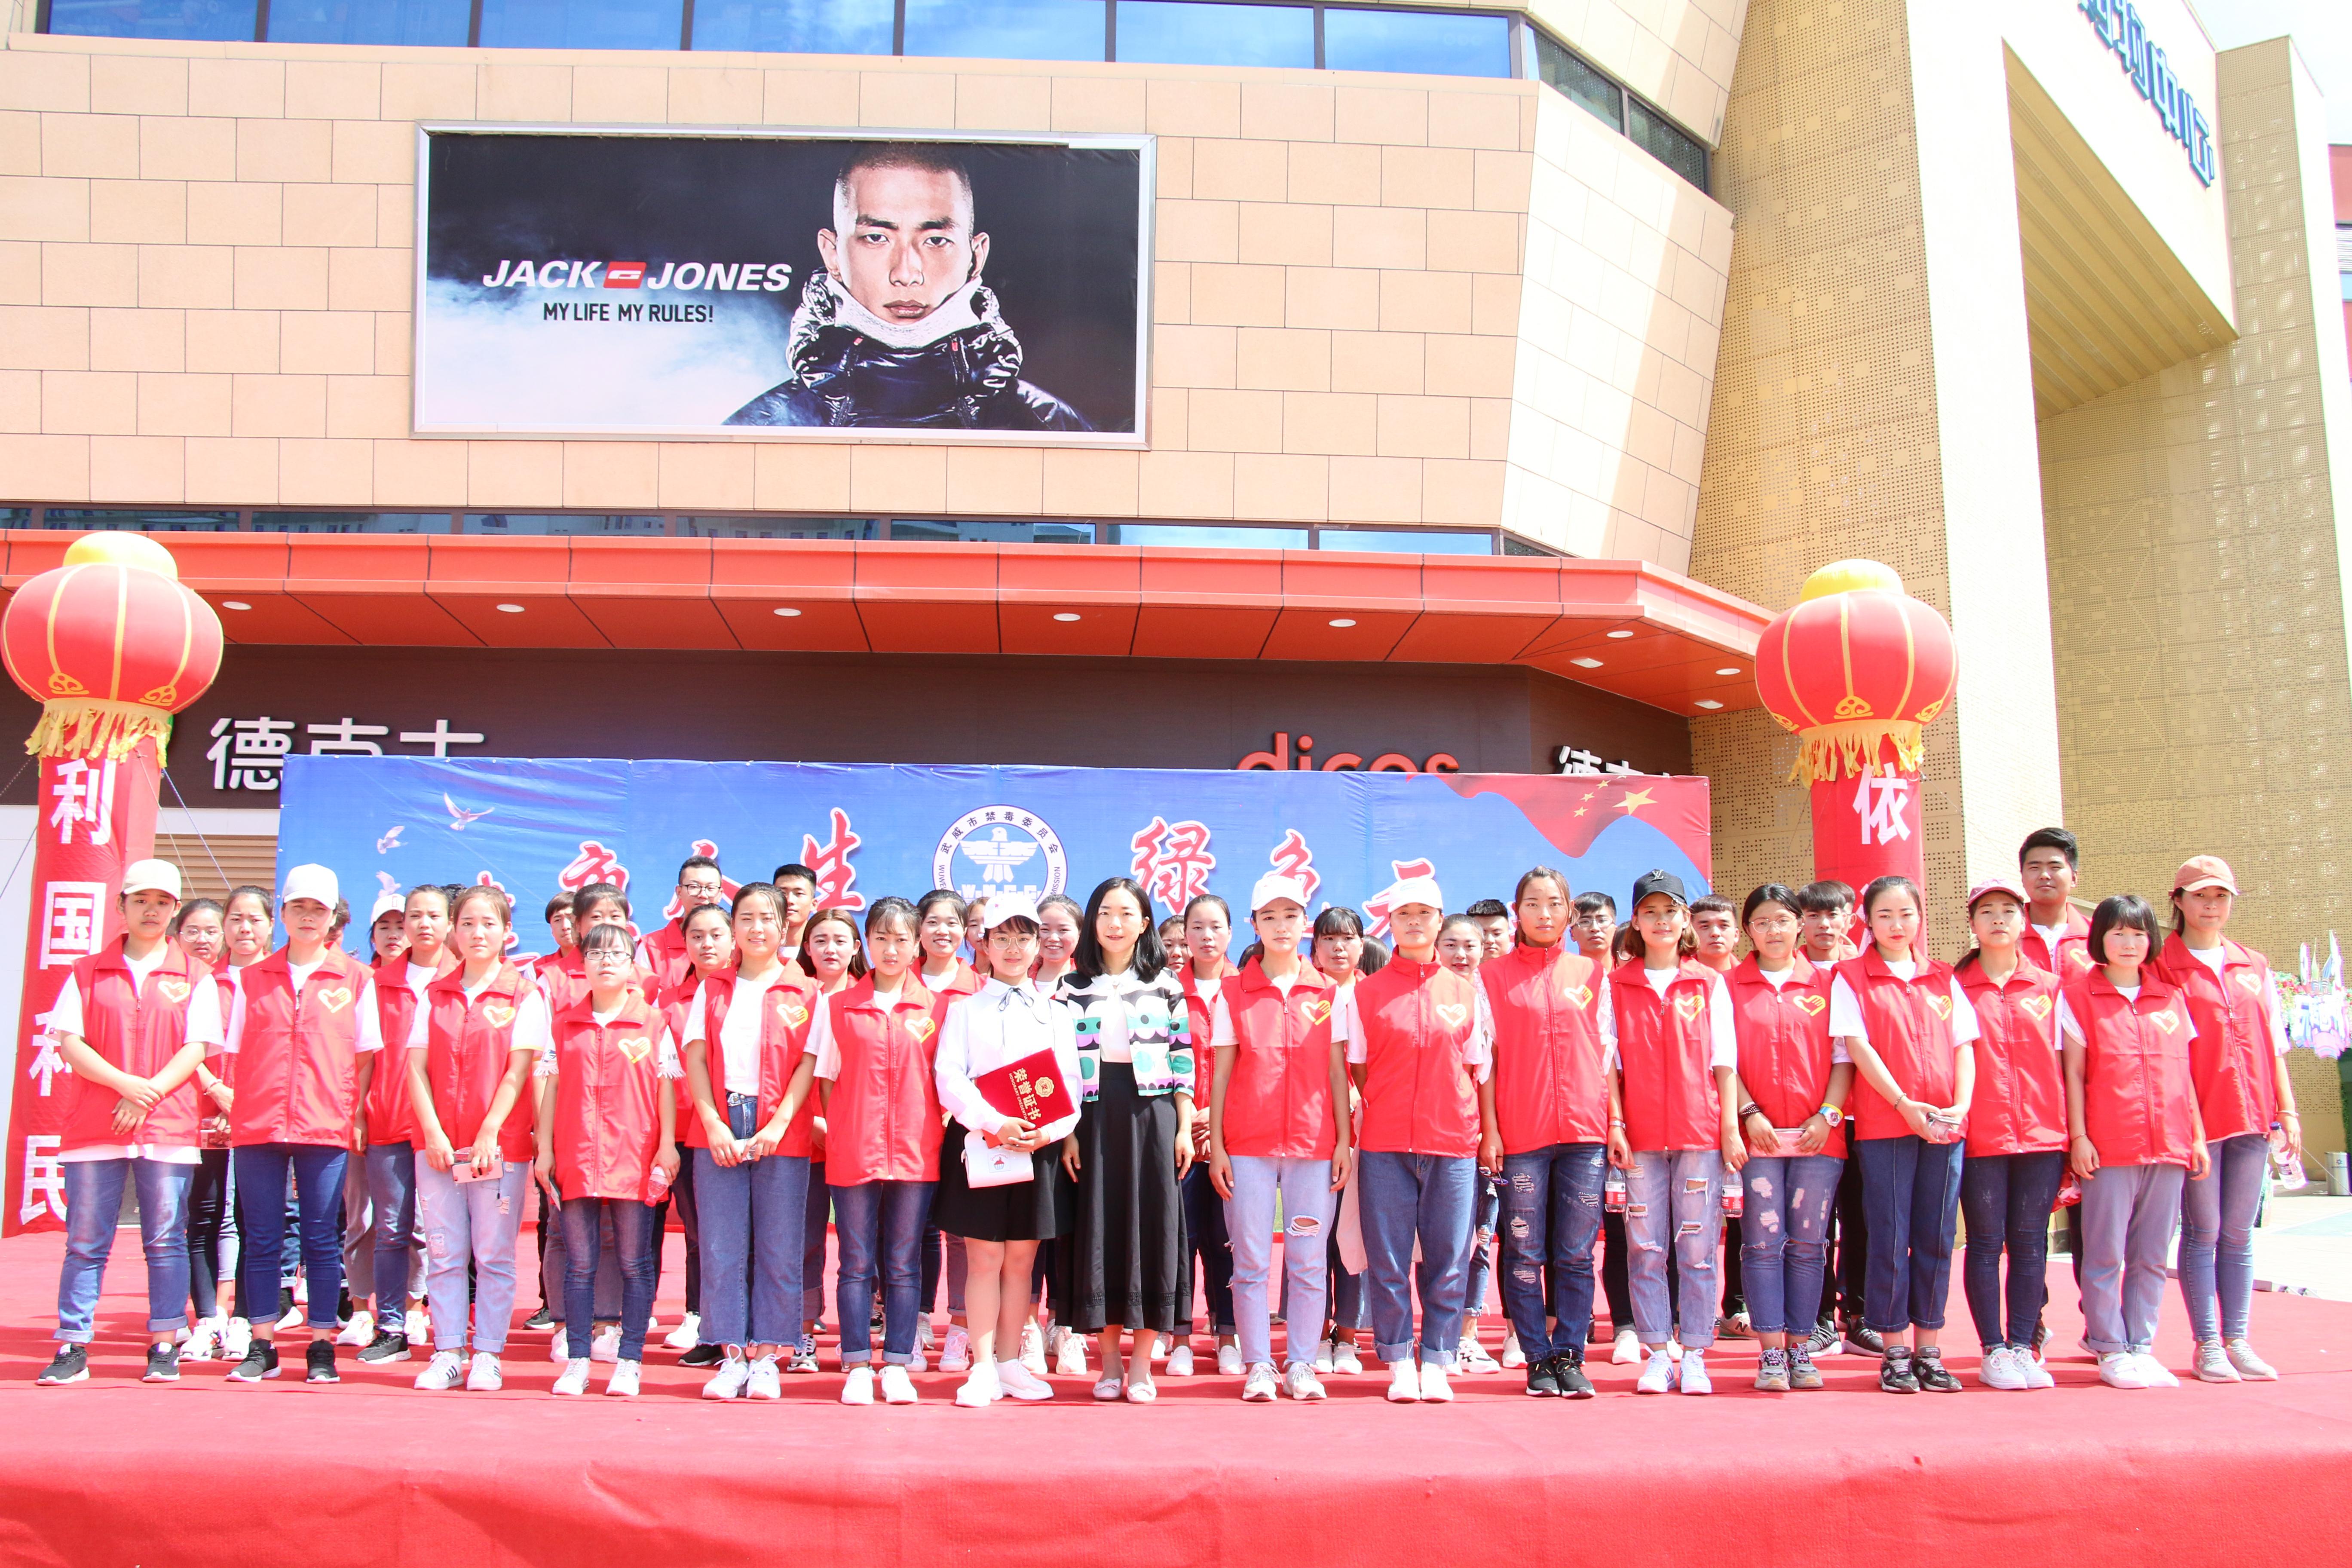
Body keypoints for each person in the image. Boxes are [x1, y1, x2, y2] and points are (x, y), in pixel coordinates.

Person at [725, 142, 1093, 431]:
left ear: (976, 257)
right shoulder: (759, 431)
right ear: (833, 254)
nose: (906, 274)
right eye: (876, 238)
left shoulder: (1053, 429)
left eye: (935, 241)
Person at [36, 861, 223, 1387]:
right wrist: (126, 1086)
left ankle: (164, 1342)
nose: (151, 910)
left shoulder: (195, 976)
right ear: (122, 906)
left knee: (165, 1239)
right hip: (97, 1125)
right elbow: (69, 1042)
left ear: (174, 909)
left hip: (167, 1127)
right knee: (86, 1241)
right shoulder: (86, 971)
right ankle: (73, 1344)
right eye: (141, 900)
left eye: (162, 902)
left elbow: (197, 1047)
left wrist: (149, 1094)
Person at [221, 864, 381, 1385]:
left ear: (333, 917)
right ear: (282, 914)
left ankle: (320, 1345)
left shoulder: (356, 979)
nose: (308, 917)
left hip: (325, 1124)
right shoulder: (251, 980)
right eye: (299, 908)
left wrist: (354, 1114)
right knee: (262, 1237)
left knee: (320, 1237)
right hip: (259, 1125)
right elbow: (234, 1050)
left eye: (319, 909)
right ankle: (262, 1343)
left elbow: (365, 1056)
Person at [1346, 876, 1496, 1404]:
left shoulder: (1464, 992)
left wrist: (1483, 1132)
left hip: (1451, 1141)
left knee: (1448, 1257)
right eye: (1404, 914)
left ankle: (1437, 1358)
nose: (1414, 922)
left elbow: (1477, 1068)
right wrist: (1387, 1102)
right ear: (1390, 922)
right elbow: (1358, 1066)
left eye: (1425, 914)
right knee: (1388, 1259)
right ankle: (1397, 1359)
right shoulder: (1366, 993)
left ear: (1439, 920)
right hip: (1385, 1144)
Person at [931, 894, 1083, 1407]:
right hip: (982, 1144)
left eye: (1024, 937)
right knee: (984, 1258)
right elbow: (949, 1077)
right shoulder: (964, 1010)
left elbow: (1071, 1085)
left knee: (1021, 1260)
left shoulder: (1056, 1013)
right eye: (1003, 938)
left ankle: (1010, 1364)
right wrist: (994, 1123)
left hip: (1038, 1148)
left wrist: (1047, 1132)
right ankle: (981, 1368)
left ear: (1038, 944)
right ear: (984, 943)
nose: (1014, 948)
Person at [1207, 874, 1350, 1403]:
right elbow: (1221, 1075)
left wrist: (1343, 1141)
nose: (1281, 926)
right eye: (1270, 916)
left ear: (1305, 922)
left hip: (1314, 1146)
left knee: (1308, 1261)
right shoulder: (1233, 992)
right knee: (1251, 1262)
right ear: (1255, 924)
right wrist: (1218, 1146)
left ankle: (1302, 1364)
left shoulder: (1328, 992)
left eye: (1291, 915)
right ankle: (1259, 1366)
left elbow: (1337, 1072)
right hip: (1247, 1147)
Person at [1831, 874, 1977, 1393]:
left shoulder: (1943, 977)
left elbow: (1964, 1045)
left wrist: (1960, 1106)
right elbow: (1858, 1048)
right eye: (1885, 915)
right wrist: (1903, 1105)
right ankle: (1894, 1350)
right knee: (1889, 1237)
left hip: (1944, 1127)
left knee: (1936, 1236)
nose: (1897, 925)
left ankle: (1929, 1349)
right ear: (1868, 922)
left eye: (1906, 914)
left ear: (1920, 917)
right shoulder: (1851, 977)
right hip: (1885, 1127)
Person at [2153, 856, 2294, 1383]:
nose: (2211, 906)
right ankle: (2207, 1343)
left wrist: (2287, 1109)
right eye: (2201, 896)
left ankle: (2239, 1339)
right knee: (2203, 1230)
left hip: (2253, 1117)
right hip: (2199, 1121)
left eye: (2221, 897)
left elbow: (2275, 1044)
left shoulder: (2252, 965)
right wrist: (2187, 1123)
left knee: (2238, 1232)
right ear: (2179, 901)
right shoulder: (2162, 966)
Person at [681, 884, 824, 1402]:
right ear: (734, 926)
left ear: (785, 925)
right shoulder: (713, 988)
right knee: (721, 1247)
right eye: (746, 918)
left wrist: (779, 1124)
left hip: (780, 1128)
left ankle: (767, 1357)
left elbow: (808, 1064)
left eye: (767, 918)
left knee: (779, 1248)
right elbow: (696, 1058)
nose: (757, 928)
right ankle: (732, 1355)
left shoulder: (806, 991)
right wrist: (713, 1124)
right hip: (720, 1123)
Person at [1057, 876, 1195, 1403]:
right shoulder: (1070, 986)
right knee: (1100, 1230)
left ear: (1144, 924)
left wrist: (1183, 1127)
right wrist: (1068, 1133)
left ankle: (1142, 1364)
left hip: (1152, 1114)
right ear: (1092, 922)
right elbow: (1059, 1066)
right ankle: (1110, 1361)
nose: (1115, 924)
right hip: (1090, 1116)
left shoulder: (1166, 984)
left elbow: (1182, 1059)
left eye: (1126, 914)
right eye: (1105, 913)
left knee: (1153, 1228)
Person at [405, 885, 547, 1392]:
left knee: (493, 1255)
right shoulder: (435, 994)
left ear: (507, 931)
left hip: (499, 1150)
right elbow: (415, 1068)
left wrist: (489, 1132)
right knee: (445, 1253)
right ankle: (447, 1351)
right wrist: (433, 1133)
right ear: (453, 931)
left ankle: (487, 1352)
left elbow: (518, 1071)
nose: (477, 933)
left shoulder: (523, 994)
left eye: (488, 923)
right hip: (439, 1149)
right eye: (467, 923)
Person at [1606, 870, 1743, 1396]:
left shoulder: (1707, 983)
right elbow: (1608, 1063)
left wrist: (1728, 1128)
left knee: (1698, 1248)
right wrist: (1617, 1123)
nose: (1661, 921)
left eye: (1671, 912)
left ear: (1686, 919)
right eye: (1651, 913)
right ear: (1636, 921)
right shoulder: (1617, 985)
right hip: (1639, 1137)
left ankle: (1698, 1353)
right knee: (1645, 1249)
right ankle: (1659, 1353)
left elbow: (1725, 1061)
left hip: (1699, 1134)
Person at [2062, 894, 2207, 1389]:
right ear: (2100, 938)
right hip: (2110, 1144)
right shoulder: (2079, 996)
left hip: (2169, 1144)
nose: (2129, 943)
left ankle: (2141, 1346)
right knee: (2104, 1253)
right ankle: (2108, 1346)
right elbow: (2074, 1073)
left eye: (2139, 934)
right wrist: (2079, 1136)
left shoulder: (2171, 998)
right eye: (2119, 933)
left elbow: (2184, 1075)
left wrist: (2197, 1137)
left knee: (2151, 1255)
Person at [1477, 868, 1608, 1399]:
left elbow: (1607, 1054)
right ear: (1518, 912)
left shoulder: (1591, 972)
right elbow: (1484, 1061)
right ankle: (1536, 1356)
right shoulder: (1491, 977)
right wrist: (1491, 1130)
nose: (1545, 913)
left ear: (1569, 911)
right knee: (1525, 1251)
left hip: (1585, 1133)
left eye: (1555, 903)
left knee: (1576, 1253)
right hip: (1522, 1133)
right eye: (1533, 903)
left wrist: (1614, 1123)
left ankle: (1571, 1353)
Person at [537, 921, 681, 1398]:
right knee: (579, 1264)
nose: (606, 961)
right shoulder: (565, 1023)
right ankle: (578, 1359)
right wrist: (546, 1151)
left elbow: (665, 1088)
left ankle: (630, 1359)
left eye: (617, 954)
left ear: (632, 964)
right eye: (596, 953)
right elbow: (551, 1087)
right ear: (582, 963)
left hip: (633, 1158)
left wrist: (666, 1145)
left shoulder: (653, 1022)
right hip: (576, 1156)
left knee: (635, 1262)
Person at [816, 897, 946, 1405]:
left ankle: (896, 1363)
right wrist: (842, 1127)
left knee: (903, 1263)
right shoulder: (838, 1007)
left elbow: (946, 1080)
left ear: (917, 946)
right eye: (881, 939)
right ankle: (855, 1364)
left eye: (901, 940)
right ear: (865, 944)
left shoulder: (938, 1008)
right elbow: (826, 1079)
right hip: (854, 1151)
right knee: (855, 1263)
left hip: (916, 1152)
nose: (891, 950)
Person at [1727, 882, 1850, 1393]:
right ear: (1748, 931)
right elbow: (1722, 1060)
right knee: (1761, 1244)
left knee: (1809, 1244)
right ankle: (1771, 1352)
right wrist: (1749, 1113)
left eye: (1783, 920)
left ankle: (1802, 1346)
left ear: (1799, 925)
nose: (1773, 930)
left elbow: (1845, 1057)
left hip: (1818, 1137)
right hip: (1757, 1138)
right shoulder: (1729, 986)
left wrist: (1828, 1115)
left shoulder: (1830, 983)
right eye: (1762, 922)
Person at [1952, 877, 2065, 1392]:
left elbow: (2069, 1063)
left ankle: (2023, 1345)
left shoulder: (2050, 988)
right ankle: (1992, 1350)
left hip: (2043, 1135)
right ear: (1972, 924)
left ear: (2023, 921)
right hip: (1981, 1136)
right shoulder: (1954, 988)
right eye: (1987, 911)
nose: (1998, 919)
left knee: (2030, 1243)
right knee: (1984, 1243)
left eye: (2008, 910)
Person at [342, 886, 451, 1366]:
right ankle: (389, 1327)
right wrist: (358, 1113)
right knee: (390, 1227)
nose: (423, 924)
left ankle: (435, 1320)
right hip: (388, 1119)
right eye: (415, 916)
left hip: (447, 1128)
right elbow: (363, 1057)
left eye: (434, 916)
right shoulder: (378, 983)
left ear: (449, 924)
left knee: (442, 1233)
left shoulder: (462, 979)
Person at [1797, 877, 1870, 1358]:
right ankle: (1820, 1317)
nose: (1825, 924)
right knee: (1815, 1226)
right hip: (1811, 1119)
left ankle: (1859, 1314)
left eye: (1834, 914)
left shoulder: (1864, 972)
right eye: (1814, 915)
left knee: (1862, 1218)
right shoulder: (1791, 971)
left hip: (1865, 1116)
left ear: (1850, 918)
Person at [790, 906, 864, 1372]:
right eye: (820, 940)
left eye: (840, 940)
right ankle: (802, 1332)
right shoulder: (793, 997)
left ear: (857, 948)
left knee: (865, 1245)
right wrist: (814, 1124)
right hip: (802, 1142)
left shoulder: (868, 997)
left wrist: (840, 1127)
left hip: (858, 1143)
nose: (830, 949)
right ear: (807, 948)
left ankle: (868, 1330)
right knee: (805, 1242)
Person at [660, 903, 734, 1366]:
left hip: (742, 1131)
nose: (706, 944)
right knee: (701, 1234)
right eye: (696, 936)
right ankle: (704, 1321)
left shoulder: (748, 993)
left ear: (733, 938)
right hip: (687, 1134)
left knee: (741, 1235)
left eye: (716, 935)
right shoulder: (668, 1002)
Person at [1172, 891, 1240, 1379]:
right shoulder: (1165, 991)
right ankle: (1179, 1337)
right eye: (1197, 927)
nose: (1206, 936)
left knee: (1226, 1242)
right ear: (1184, 936)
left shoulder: (1246, 990)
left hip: (1235, 1141)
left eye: (1216, 927)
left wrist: (1219, 1117)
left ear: (1231, 933)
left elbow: (1258, 1066)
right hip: (1178, 1138)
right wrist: (1188, 1117)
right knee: (1180, 1241)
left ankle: (1228, 1335)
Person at [169, 896, 238, 1362]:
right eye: (193, 930)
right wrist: (214, 1087)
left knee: (238, 1219)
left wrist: (238, 1099)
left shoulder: (240, 981)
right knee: (196, 1217)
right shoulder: (174, 985)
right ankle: (202, 1316)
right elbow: (172, 1044)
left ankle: (233, 1318)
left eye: (212, 931)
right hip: (187, 1113)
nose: (203, 939)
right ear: (178, 935)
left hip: (244, 1114)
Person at [1434, 913, 1504, 1373]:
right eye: (1452, 946)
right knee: (1438, 1242)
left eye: (1470, 946)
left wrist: (1490, 1128)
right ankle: (1433, 1337)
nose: (1461, 955)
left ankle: (1468, 1334)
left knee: (1480, 1235)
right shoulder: (1427, 993)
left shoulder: (1491, 997)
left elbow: (1490, 1071)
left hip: (1484, 1132)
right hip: (1437, 1135)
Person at [914, 888, 979, 1368]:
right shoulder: (899, 982)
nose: (943, 931)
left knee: (960, 1231)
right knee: (911, 1229)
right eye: (933, 921)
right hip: (908, 1129)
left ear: (966, 932)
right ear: (918, 929)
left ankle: (960, 1326)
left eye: (952, 922)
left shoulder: (979, 988)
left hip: (963, 1127)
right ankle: (914, 1321)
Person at [1308, 904, 1372, 1375]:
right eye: (1328, 939)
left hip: (1367, 1131)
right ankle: (1313, 1332)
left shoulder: (1375, 996)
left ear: (1361, 945)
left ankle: (1347, 1335)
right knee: (1314, 1234)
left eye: (1347, 939)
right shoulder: (1307, 995)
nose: (1338, 948)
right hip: (1314, 1130)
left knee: (1354, 1235)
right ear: (1315, 948)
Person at [1031, 891, 1087, 1375]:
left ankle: (1065, 1327)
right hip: (1024, 1128)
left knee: (1071, 1231)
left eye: (1062, 929)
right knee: (1028, 1232)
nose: (1052, 938)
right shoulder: (1014, 984)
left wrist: (1071, 1127)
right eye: (1042, 929)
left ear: (1080, 935)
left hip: (1078, 1129)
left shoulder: (1090, 987)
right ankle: (1026, 1330)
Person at [640, 854, 729, 997]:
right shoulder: (651, 946)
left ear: (720, 894)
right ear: (679, 892)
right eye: (694, 887)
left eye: (711, 888)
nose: (703, 895)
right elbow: (640, 1001)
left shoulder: (736, 944)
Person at [2018, 828, 2092, 977]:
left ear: (2074, 878)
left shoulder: (2098, 935)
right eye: (2035, 868)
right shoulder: (2005, 937)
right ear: (2022, 877)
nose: (2044, 875)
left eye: (2055, 867)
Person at [770, 862, 818, 965]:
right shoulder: (758, 949)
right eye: (783, 893)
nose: (790, 900)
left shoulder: (821, 952)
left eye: (799, 894)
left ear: (813, 904)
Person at [1465, 899, 1513, 965]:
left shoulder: (1523, 969)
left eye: (1497, 934)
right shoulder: (1455, 969)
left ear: (1509, 937)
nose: (1490, 940)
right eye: (1482, 934)